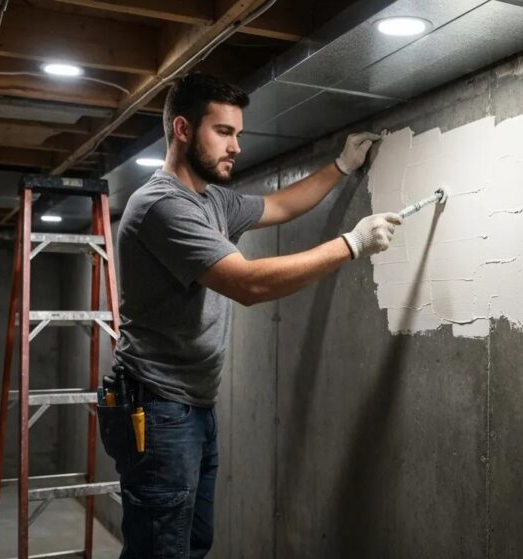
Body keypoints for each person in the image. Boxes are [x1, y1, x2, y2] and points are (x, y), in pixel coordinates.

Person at [97, 73, 401, 558]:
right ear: (182, 129)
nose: (236, 145)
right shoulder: (162, 206)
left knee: (191, 544)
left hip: (190, 404)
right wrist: (352, 244)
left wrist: (341, 167)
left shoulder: (212, 200)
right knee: (161, 551)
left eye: (238, 133)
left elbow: (281, 204)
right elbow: (249, 283)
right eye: (223, 132)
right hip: (156, 408)